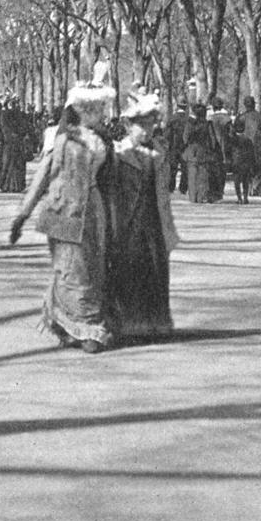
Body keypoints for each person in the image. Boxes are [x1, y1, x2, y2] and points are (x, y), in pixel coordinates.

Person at [9, 84, 116, 353]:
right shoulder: (61, 139)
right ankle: (88, 327)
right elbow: (42, 176)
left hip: (93, 210)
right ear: (83, 110)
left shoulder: (102, 139)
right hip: (64, 211)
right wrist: (23, 214)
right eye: (98, 108)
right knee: (73, 271)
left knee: (92, 269)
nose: (103, 113)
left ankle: (70, 324)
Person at [104, 93, 178, 340]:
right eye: (141, 126)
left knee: (155, 270)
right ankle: (129, 324)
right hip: (127, 222)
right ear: (128, 126)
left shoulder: (159, 152)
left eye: (150, 125)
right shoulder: (120, 153)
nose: (146, 131)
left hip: (154, 221)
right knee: (129, 271)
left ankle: (155, 322)